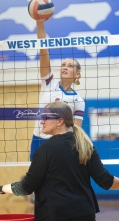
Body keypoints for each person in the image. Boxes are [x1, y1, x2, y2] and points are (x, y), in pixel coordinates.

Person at [0, 101, 119, 221]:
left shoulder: (45, 150)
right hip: (84, 215)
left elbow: (27, 187)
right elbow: (106, 181)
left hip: (55, 219)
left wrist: (2, 188)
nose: (41, 121)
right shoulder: (85, 145)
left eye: (46, 117)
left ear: (60, 121)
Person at [30, 21, 85, 161]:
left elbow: (75, 131)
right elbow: (43, 51)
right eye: (63, 65)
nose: (65, 67)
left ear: (77, 74)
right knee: (36, 181)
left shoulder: (78, 101)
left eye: (70, 66)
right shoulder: (49, 82)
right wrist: (39, 22)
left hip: (61, 145)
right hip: (39, 140)